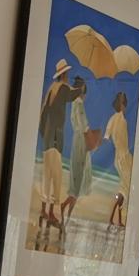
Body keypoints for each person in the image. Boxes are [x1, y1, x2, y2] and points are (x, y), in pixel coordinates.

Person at [32, 59, 71, 247]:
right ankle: (51, 212)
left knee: (46, 175)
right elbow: (72, 94)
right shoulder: (62, 88)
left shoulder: (50, 89)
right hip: (55, 138)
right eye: (67, 74)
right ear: (64, 74)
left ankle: (43, 209)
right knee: (56, 176)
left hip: (48, 137)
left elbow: (42, 114)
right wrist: (80, 88)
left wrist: (43, 133)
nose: (68, 76)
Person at [58, 73, 90, 228]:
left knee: (76, 179)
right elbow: (84, 126)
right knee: (78, 178)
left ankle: (67, 214)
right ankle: (67, 213)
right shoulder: (79, 104)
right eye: (83, 90)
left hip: (77, 141)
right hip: (81, 142)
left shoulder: (74, 104)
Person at [106, 89, 133, 228]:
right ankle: (116, 218)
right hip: (124, 157)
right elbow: (125, 143)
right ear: (123, 105)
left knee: (124, 187)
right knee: (126, 187)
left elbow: (107, 136)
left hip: (118, 157)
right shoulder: (122, 120)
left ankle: (114, 218)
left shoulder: (112, 119)